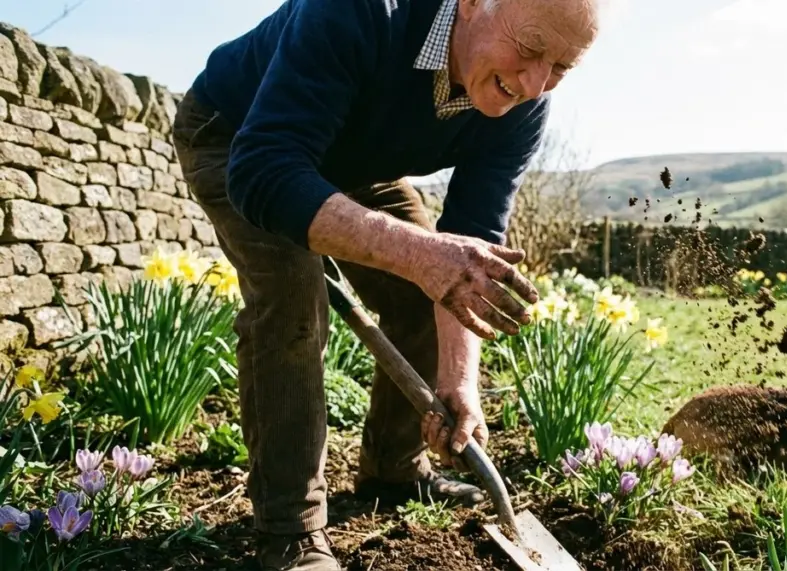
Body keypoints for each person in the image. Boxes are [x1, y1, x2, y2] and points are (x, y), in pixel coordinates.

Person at [171, 0, 601, 568]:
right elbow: (266, 171)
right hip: (241, 137)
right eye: (529, 48)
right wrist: (424, 255)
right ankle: (289, 532)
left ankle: (394, 470)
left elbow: (470, 244)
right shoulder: (361, 11)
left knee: (434, 290)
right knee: (294, 306)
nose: (535, 82)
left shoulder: (524, 106)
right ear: (472, 4)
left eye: (562, 68)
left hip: (353, 162)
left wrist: (460, 379)